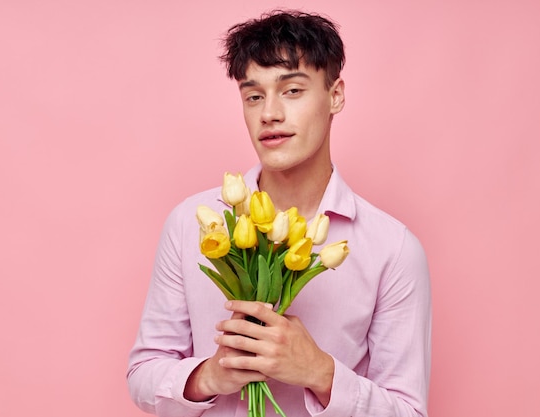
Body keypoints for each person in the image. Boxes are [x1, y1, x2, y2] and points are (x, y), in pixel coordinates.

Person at [127, 9, 431, 417]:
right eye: (254, 96)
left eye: (291, 91)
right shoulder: (193, 224)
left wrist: (320, 372)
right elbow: (143, 373)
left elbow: (408, 412)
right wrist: (209, 376)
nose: (269, 113)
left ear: (336, 95)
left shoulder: (393, 250)